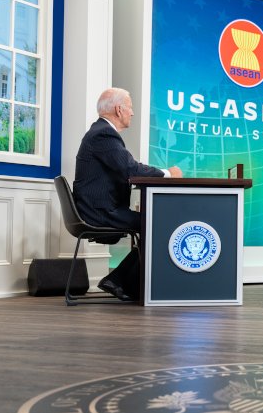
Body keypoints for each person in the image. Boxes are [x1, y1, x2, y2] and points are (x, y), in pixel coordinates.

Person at [73, 88, 183, 301]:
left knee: (156, 223)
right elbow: (131, 169)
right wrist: (169, 174)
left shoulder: (101, 132)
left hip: (99, 208)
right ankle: (124, 282)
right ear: (118, 109)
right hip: (99, 212)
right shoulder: (103, 134)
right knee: (160, 224)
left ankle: (121, 281)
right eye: (130, 108)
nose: (132, 113)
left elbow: (124, 171)